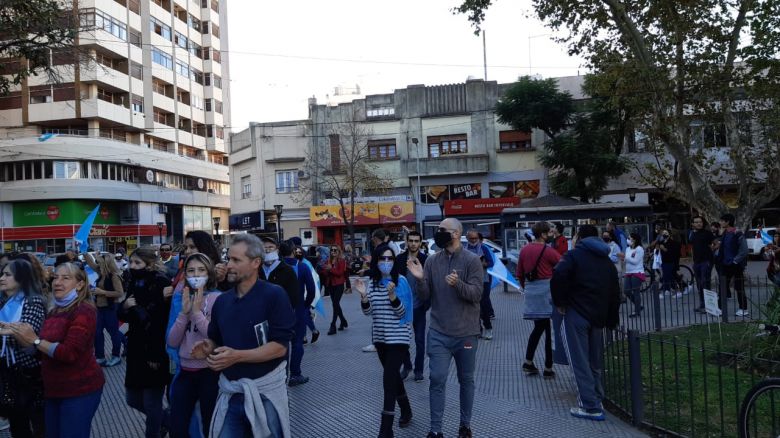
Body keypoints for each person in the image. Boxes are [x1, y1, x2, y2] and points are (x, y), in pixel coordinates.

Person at [190, 233, 295, 437]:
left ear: (256, 262)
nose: (229, 265)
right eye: (229, 258)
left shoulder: (274, 295)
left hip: (266, 393)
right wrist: (208, 347)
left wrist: (237, 355)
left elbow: (280, 347)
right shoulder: (222, 301)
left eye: (236, 260)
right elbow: (217, 340)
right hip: (231, 392)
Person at [6, 262, 105, 438]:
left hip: (79, 390)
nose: (57, 282)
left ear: (80, 284)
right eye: (55, 277)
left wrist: (34, 339)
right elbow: (41, 353)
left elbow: (69, 353)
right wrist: (19, 335)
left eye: (66, 278)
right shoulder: (55, 310)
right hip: (53, 389)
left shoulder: (84, 310)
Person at [406, 218, 483, 438]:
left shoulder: (472, 261)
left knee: (466, 379)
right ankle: (435, 429)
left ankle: (465, 425)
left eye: (442, 230)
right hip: (439, 333)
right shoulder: (432, 261)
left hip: (466, 333)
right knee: (437, 378)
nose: (438, 233)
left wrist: (458, 284)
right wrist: (420, 280)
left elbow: (477, 295)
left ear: (457, 233)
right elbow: (425, 297)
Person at [550, 224, 620, 421]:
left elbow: (558, 276)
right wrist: (611, 318)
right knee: (594, 360)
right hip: (598, 316)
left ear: (578, 238)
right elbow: (615, 290)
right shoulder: (606, 260)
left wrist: (560, 302)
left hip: (577, 313)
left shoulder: (573, 256)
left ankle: (590, 406)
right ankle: (597, 397)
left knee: (579, 361)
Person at [355, 247, 413, 437]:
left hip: (399, 338)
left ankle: (385, 429)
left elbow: (403, 313)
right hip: (381, 338)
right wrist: (363, 296)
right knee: (394, 377)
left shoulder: (401, 281)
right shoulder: (372, 283)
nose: (386, 262)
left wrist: (393, 297)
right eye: (382, 258)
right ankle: (406, 409)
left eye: (390, 258)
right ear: (376, 261)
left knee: (388, 380)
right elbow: (367, 312)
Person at [166, 253, 222, 438]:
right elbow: (172, 341)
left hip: (209, 372)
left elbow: (214, 335)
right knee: (178, 427)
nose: (196, 274)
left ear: (209, 273)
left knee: (210, 425)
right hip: (185, 372)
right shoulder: (183, 298)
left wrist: (197, 313)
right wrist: (184, 313)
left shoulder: (217, 299)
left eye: (201, 270)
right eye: (191, 270)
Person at [119, 247, 172, 438]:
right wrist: (125, 306)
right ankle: (168, 421)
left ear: (149, 264)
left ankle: (154, 433)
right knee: (132, 399)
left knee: (152, 403)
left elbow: (163, 321)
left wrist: (157, 354)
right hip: (135, 349)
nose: (132, 266)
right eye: (131, 262)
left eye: (137, 263)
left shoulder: (161, 283)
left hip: (155, 350)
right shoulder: (134, 281)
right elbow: (123, 314)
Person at [0, 259, 47, 437]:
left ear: (21, 278)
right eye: (2, 273)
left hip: (30, 374)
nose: (2, 278)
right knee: (17, 424)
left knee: (37, 424)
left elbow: (28, 339)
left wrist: (7, 331)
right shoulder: (6, 301)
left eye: (7, 274)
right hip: (9, 372)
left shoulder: (32, 301)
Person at [517, 222, 561, 379]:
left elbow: (519, 273)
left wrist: (527, 288)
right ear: (542, 234)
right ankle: (548, 368)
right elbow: (563, 265)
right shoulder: (548, 251)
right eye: (549, 232)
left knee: (539, 328)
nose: (551, 235)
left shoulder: (524, 250)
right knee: (549, 330)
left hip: (531, 292)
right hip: (546, 294)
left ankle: (529, 362)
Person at [394, 231, 429, 382]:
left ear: (420, 243)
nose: (414, 243)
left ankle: (419, 370)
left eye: (416, 241)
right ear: (407, 242)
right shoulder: (400, 259)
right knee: (402, 340)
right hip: (403, 307)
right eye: (411, 241)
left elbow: (430, 283)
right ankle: (407, 365)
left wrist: (428, 303)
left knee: (420, 340)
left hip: (420, 307)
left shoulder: (426, 260)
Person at [280, 241, 316, 385]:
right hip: (298, 309)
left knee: (281, 343)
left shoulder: (275, 268)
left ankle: (280, 375)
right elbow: (311, 290)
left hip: (279, 311)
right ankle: (295, 374)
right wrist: (305, 306)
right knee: (297, 343)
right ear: (294, 251)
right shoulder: (302, 267)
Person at [84, 252, 124, 367]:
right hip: (99, 308)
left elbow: (120, 293)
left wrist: (102, 292)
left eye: (100, 263)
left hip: (110, 308)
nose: (98, 265)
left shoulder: (114, 276)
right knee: (97, 332)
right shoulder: (102, 272)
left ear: (106, 264)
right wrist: (84, 251)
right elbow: (91, 263)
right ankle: (100, 357)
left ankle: (116, 356)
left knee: (113, 333)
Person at [464, 231, 495, 341]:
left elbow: (491, 263)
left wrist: (481, 264)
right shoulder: (464, 249)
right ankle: (477, 329)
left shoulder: (484, 248)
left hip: (484, 280)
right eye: (471, 238)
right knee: (472, 305)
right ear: (467, 238)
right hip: (470, 281)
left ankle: (488, 328)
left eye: (475, 238)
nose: (473, 240)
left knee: (484, 304)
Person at [716, 214, 749, 316]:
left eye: (722, 221)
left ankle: (743, 309)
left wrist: (735, 261)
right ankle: (719, 309)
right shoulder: (725, 232)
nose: (720, 223)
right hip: (725, 264)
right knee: (722, 287)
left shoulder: (737, 233)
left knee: (739, 287)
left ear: (728, 222)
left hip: (735, 264)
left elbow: (744, 250)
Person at [258, 238, 299, 310]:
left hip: (280, 315)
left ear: (277, 251)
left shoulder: (287, 270)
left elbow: (293, 297)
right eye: (264, 248)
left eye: (271, 247)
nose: (267, 250)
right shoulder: (255, 270)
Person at [318, 245, 348, 335]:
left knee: (335, 304)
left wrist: (331, 269)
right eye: (332, 250)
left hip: (339, 285)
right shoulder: (328, 261)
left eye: (335, 250)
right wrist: (325, 270)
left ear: (339, 252)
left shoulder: (342, 261)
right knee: (336, 304)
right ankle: (342, 320)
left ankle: (333, 325)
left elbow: (340, 273)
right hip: (331, 285)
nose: (333, 252)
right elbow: (325, 272)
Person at [689, 216, 715, 313]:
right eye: (696, 222)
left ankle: (709, 306)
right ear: (693, 224)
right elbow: (693, 247)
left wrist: (711, 251)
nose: (699, 224)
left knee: (705, 283)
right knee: (699, 284)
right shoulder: (692, 234)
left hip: (706, 261)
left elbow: (716, 243)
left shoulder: (707, 233)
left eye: (700, 222)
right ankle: (702, 304)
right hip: (696, 262)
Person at [623, 233, 646, 317]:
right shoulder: (627, 249)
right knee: (626, 290)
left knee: (636, 291)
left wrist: (626, 258)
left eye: (630, 238)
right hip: (628, 272)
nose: (628, 239)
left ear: (635, 240)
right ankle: (638, 306)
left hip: (637, 272)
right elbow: (627, 260)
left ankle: (637, 311)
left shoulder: (639, 249)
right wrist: (624, 259)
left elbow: (635, 261)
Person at [657, 229, 682, 298]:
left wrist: (664, 249)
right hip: (663, 261)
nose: (664, 234)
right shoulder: (662, 242)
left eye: (665, 233)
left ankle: (678, 291)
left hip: (670, 262)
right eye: (663, 233)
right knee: (667, 277)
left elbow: (673, 253)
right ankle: (667, 290)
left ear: (669, 234)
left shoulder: (673, 243)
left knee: (669, 277)